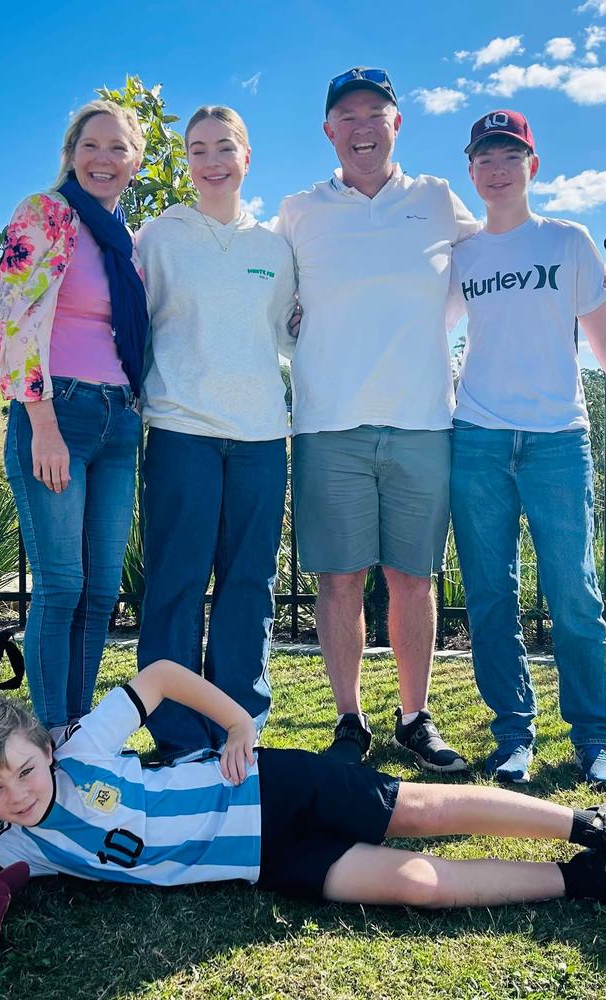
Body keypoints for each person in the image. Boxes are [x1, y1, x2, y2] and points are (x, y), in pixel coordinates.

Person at [0, 660, 606, 936]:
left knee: (426, 811)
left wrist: (240, 723)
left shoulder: (83, 749)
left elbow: (158, 677)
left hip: (272, 787)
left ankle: (583, 823)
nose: (16, 793)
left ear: (45, 750)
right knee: (420, 886)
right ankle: (580, 879)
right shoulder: (20, 843)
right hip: (269, 863)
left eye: (23, 771)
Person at [276, 68, 478, 769]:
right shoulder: (300, 212)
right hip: (329, 422)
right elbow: (268, 297)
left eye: (376, 113)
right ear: (329, 130)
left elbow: (491, 265)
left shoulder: (438, 199)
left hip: (424, 420)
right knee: (338, 579)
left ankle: (416, 717)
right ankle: (348, 719)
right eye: (348, 114)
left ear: (398, 125)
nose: (363, 125)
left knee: (413, 579)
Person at [449, 110, 606, 787]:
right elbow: (420, 326)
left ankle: (595, 736)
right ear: (471, 170)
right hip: (478, 438)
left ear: (532, 167)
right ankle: (514, 734)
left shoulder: (568, 241)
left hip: (556, 443)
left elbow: (602, 340)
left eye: (510, 155)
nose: (497, 168)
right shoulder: (463, 256)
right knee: (489, 596)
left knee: (573, 595)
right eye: (484, 157)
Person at [135, 107, 297, 761]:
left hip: (262, 436)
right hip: (182, 430)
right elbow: (132, 325)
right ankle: (178, 737)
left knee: (248, 585)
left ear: (247, 157)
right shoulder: (159, 236)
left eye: (224, 148)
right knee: (175, 584)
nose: (211, 161)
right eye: (197, 150)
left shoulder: (274, 247)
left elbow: (289, 334)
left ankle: (240, 727)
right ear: (186, 161)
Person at [0, 101, 148, 743]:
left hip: (118, 421)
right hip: (58, 414)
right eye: (92, 146)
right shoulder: (46, 213)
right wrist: (44, 425)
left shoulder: (124, 239)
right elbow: (15, 322)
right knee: (61, 585)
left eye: (118, 148)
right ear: (71, 152)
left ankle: (78, 733)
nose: (104, 159)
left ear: (134, 160)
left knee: (103, 590)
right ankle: (51, 733)